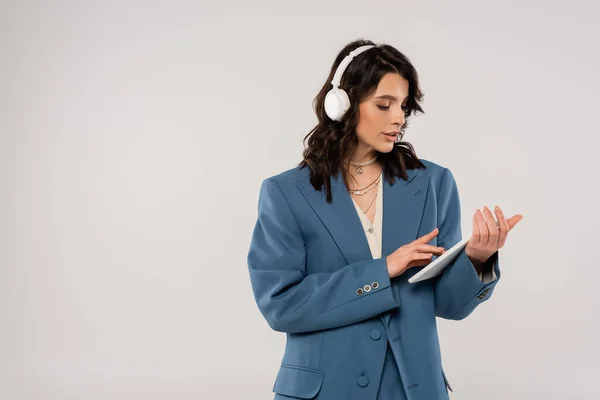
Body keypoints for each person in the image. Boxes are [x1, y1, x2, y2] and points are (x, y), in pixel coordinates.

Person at [246, 39, 523, 400]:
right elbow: (280, 305)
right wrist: (382, 271)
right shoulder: (286, 193)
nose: (399, 118)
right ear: (342, 105)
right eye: (384, 104)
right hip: (325, 391)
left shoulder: (433, 183)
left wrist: (477, 259)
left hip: (412, 390)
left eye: (404, 106)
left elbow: (446, 305)